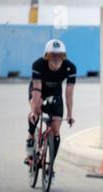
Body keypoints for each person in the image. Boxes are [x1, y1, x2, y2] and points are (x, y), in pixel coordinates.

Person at [26, 39, 76, 177]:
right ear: (47, 56)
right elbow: (36, 90)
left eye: (59, 55)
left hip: (55, 93)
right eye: (52, 55)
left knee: (55, 131)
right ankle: (31, 140)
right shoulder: (38, 64)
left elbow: (69, 94)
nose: (56, 58)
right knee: (35, 111)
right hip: (39, 90)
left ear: (63, 56)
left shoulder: (70, 67)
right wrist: (34, 110)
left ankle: (51, 165)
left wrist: (70, 114)